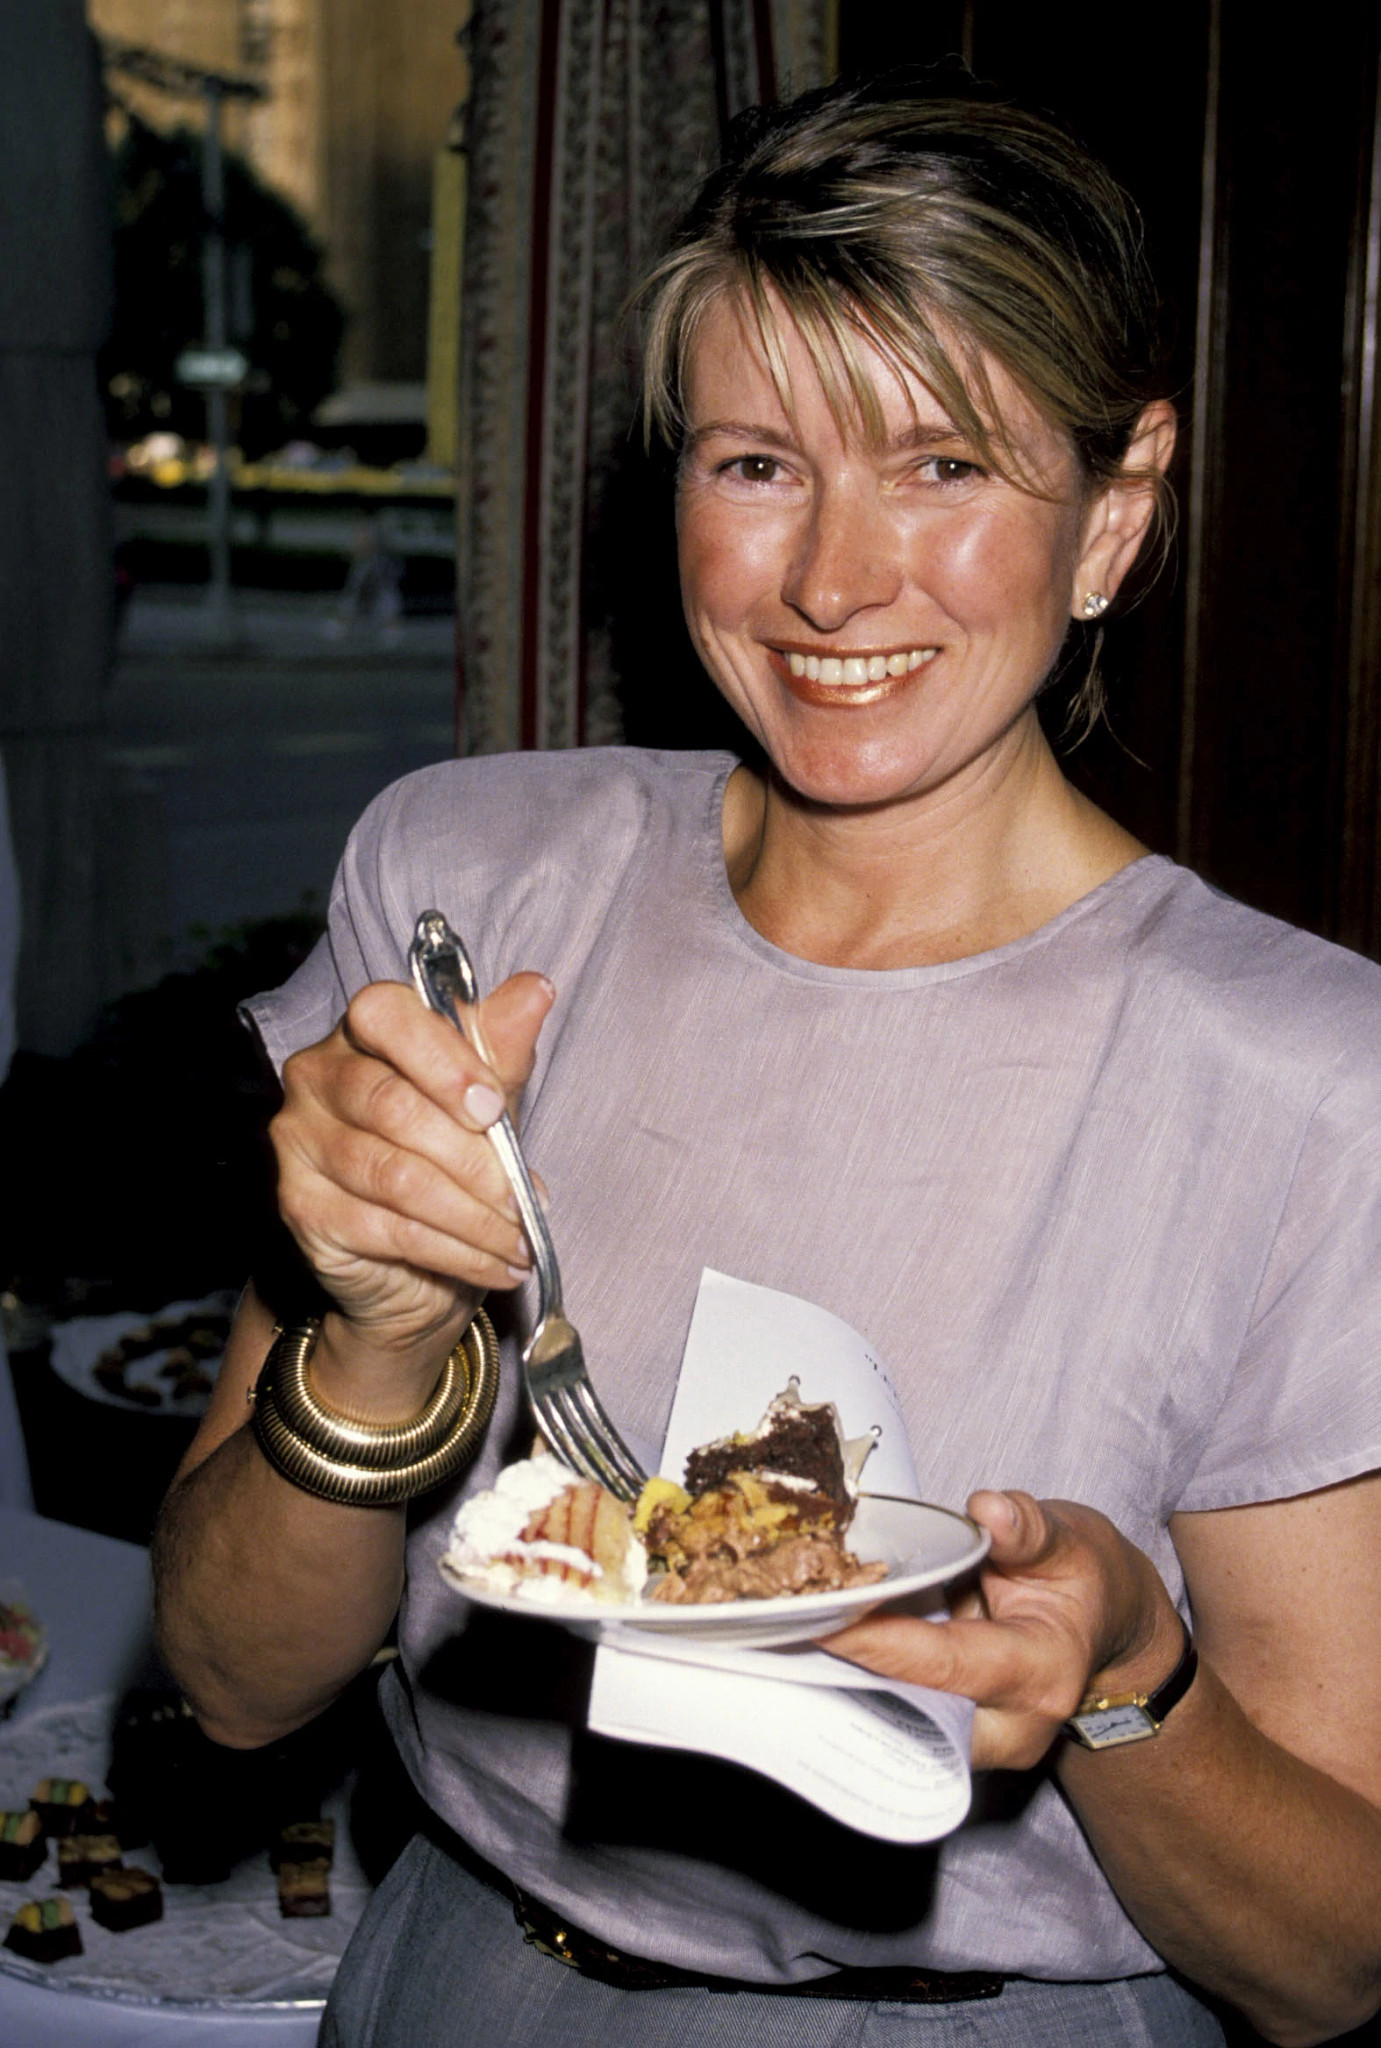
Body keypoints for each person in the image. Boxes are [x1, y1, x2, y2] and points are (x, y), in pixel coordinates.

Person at [153, 78, 1381, 2047]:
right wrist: (374, 1348)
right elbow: (228, 1680)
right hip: (457, 1971)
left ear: (1115, 512)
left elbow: (1329, 1966)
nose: (830, 577)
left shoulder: (1306, 1088)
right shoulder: (471, 881)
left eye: (940, 464)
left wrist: (1131, 1677)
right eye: (753, 463)